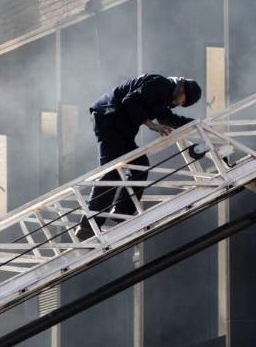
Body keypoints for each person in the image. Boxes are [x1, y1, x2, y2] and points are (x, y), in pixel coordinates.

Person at [76, 74, 202, 240]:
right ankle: (87, 226)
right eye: (183, 101)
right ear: (182, 89)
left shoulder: (165, 97)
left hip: (122, 126)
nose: (179, 104)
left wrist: (197, 124)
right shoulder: (161, 85)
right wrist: (151, 125)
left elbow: (167, 118)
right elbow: (129, 100)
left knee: (140, 164)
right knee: (111, 173)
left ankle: (122, 212)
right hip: (110, 118)